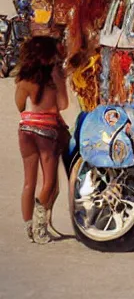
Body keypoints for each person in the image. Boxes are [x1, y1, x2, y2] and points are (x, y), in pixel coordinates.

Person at [15, 36, 69, 243]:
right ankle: (41, 226)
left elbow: (20, 106)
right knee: (49, 182)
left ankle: (29, 228)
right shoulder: (53, 77)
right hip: (48, 131)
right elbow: (63, 104)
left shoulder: (23, 79)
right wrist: (60, 81)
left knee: (29, 182)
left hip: (26, 129)